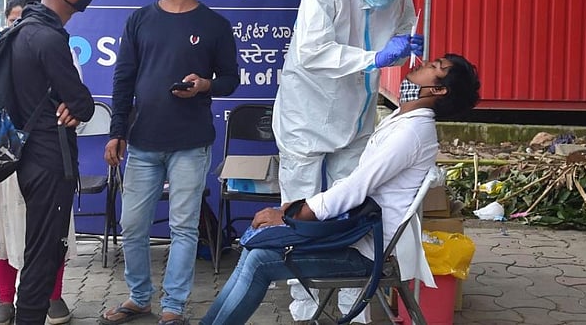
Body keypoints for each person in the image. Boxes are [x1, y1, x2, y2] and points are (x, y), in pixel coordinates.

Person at [202, 54, 481, 325]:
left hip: (366, 251)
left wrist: (298, 214)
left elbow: (357, 186)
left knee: (261, 260)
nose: (423, 64)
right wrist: (299, 209)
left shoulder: (411, 133)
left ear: (438, 89)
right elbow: (355, 185)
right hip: (354, 232)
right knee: (255, 247)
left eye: (435, 66)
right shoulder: (402, 119)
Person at [272, 0, 421, 320]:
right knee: (301, 206)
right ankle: (304, 304)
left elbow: (404, 24)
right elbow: (313, 51)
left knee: (352, 206)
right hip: (308, 111)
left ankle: (352, 304)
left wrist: (405, 44)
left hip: (357, 110)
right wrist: (375, 58)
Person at [100, 0, 239, 325]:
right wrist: (117, 131)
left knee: (183, 226)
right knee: (133, 225)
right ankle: (139, 297)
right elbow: (123, 80)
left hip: (191, 143)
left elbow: (230, 78)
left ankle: (173, 306)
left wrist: (206, 85)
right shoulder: (140, 20)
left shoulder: (214, 24)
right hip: (142, 142)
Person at [0, 0, 76, 325]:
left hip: (44, 157)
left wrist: (73, 109)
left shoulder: (54, 47)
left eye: (24, 19)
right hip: (4, 159)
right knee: (2, 230)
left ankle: (53, 295)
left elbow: (75, 103)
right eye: (13, 20)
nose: (18, 26)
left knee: (47, 233)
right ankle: (5, 297)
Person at [9, 0, 96, 324]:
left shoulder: (25, 27)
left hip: (31, 159)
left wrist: (74, 104)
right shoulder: (48, 37)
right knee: (43, 258)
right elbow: (81, 103)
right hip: (49, 162)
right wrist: (76, 106)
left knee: (39, 253)